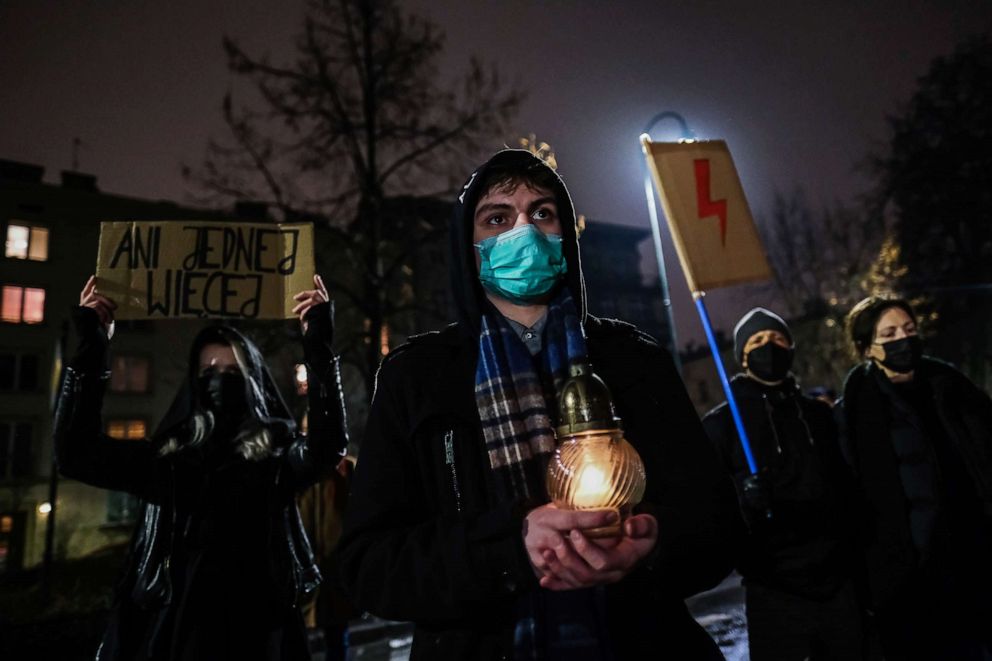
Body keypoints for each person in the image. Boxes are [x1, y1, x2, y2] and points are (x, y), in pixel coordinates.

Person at [335, 149, 741, 660]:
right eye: (498, 218)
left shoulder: (634, 359)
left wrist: (653, 542)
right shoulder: (417, 377)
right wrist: (511, 547)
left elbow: (717, 524)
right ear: (469, 247)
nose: (523, 230)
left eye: (542, 213)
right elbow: (370, 565)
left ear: (565, 239)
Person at [54, 274, 349, 661]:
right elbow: (75, 454)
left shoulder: (276, 458)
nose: (219, 382)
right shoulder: (166, 460)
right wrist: (93, 349)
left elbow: (326, 448)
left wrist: (318, 347)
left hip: (256, 631)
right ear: (193, 383)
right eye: (208, 372)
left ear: (251, 383)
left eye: (231, 373)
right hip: (171, 630)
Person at [701, 308, 865, 660]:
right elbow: (710, 503)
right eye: (758, 342)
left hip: (836, 579)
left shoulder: (818, 415)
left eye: (778, 339)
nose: (769, 347)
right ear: (743, 357)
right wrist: (744, 499)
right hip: (773, 586)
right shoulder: (722, 425)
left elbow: (846, 483)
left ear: (790, 348)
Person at [838, 295, 992, 660]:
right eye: (888, 333)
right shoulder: (855, 413)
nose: (902, 340)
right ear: (866, 348)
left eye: (909, 329)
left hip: (976, 555)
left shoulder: (950, 388)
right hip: (914, 576)